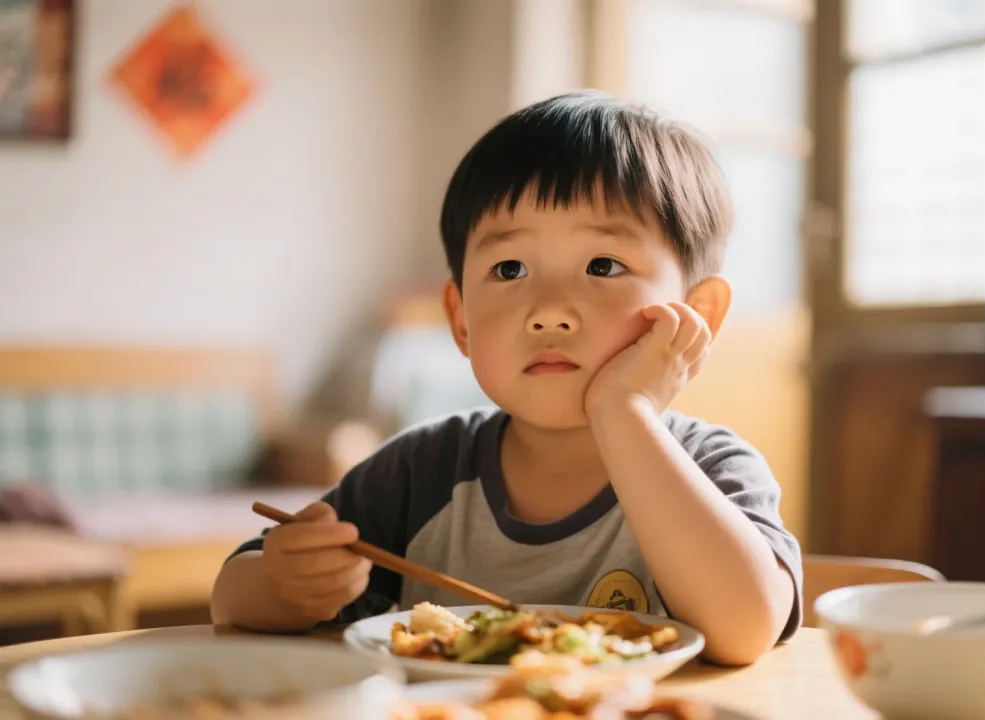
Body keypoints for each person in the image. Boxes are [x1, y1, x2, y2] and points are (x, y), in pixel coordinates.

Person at [211, 91, 802, 665]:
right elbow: (230, 600)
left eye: (604, 265)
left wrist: (625, 410)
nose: (549, 309)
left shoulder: (712, 466)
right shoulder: (423, 471)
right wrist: (287, 585)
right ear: (461, 320)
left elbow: (746, 628)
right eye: (508, 268)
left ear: (697, 315)